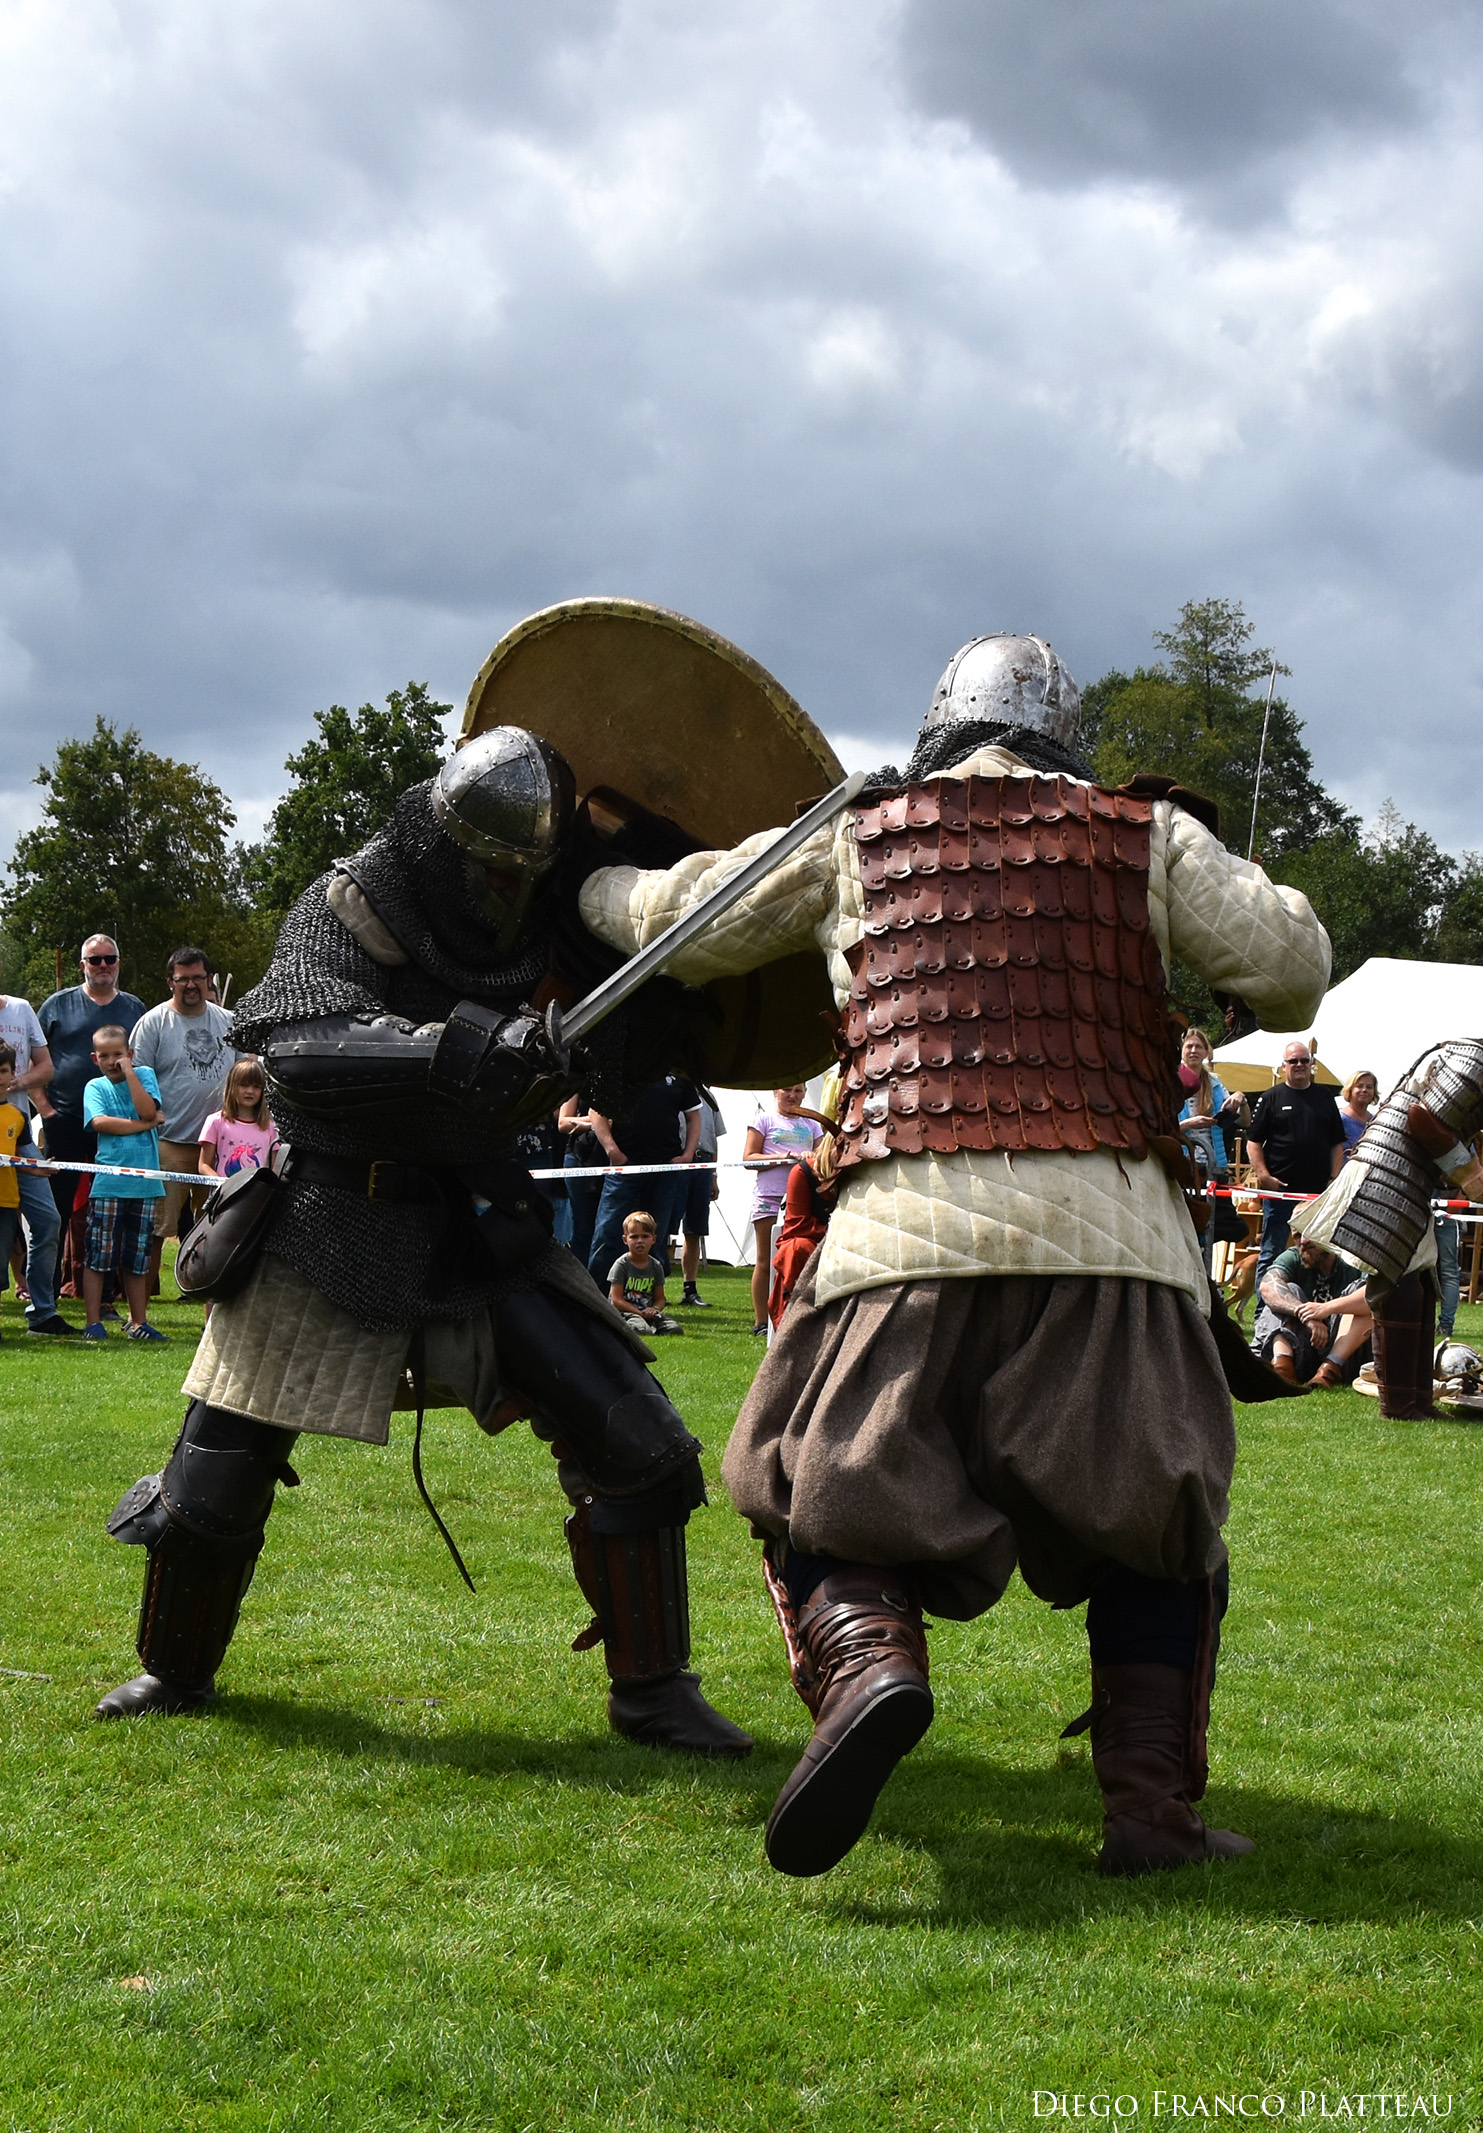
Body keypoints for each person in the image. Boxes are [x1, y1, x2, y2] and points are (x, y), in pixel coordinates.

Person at [579, 628, 1331, 1878]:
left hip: (899, 1237)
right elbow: (1294, 969)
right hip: (1115, 1244)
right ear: (1062, 734)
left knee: (815, 1481)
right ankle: (1148, 1811)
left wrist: (588, 878)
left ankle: (870, 1667)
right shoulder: (1146, 835)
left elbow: (677, 924)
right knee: (1157, 1525)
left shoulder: (854, 833)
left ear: (939, 727)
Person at [93, 726, 749, 1761]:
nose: (505, 887)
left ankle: (654, 1693)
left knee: (639, 1441)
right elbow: (296, 1048)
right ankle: (174, 1670)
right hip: (326, 1210)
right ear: (439, 841)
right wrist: (462, 1047)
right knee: (213, 1481)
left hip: (475, 1215)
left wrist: (642, 1008)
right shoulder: (352, 901)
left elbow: (625, 1049)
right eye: (489, 866)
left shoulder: (553, 910)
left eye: (522, 870)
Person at [36, 936, 146, 1279]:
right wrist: (45, 1110)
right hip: (65, 1120)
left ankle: (107, 1293)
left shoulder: (134, 1008)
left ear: (118, 963)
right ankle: (47, 1291)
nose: (103, 966)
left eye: (109, 959)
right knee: (56, 1209)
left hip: (116, 1124)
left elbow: (143, 1064)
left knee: (110, 1210)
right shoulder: (56, 1005)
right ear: (82, 965)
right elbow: (32, 1059)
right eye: (95, 960)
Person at [130, 947, 239, 1286]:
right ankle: (142, 1306)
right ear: (170, 982)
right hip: (169, 1142)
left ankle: (205, 1292)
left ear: (209, 980)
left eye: (198, 978)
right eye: (183, 979)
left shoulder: (229, 1021)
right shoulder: (153, 1023)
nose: (191, 985)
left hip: (219, 1146)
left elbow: (245, 1074)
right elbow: (135, 1078)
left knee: (215, 1226)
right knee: (156, 1228)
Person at [80, 1027, 167, 1343]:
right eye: (104, 1056)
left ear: (130, 1054)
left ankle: (137, 1321)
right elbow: (100, 1123)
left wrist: (131, 1073)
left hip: (145, 1186)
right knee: (98, 1255)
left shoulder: (144, 1076)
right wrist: (146, 1125)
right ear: (95, 1059)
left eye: (118, 1054)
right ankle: (93, 1322)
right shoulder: (95, 1086)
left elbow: (147, 1108)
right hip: (109, 1184)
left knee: (138, 1258)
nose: (112, 1061)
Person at [585, 1073, 702, 1286]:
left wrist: (687, 1155)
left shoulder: (679, 1072)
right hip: (623, 1167)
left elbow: (694, 1115)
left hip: (665, 1167)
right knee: (607, 1234)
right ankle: (596, 1297)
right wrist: (612, 1151)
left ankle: (650, 1297)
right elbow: (596, 1111)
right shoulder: (621, 1067)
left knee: (654, 1237)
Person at [1246, 1045, 1345, 1285]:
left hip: (1317, 1193)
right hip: (1280, 1191)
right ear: (1284, 1066)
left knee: (1319, 1251)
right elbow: (1253, 1142)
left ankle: (1316, 1298)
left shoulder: (1325, 1097)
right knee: (1271, 1251)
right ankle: (1266, 1305)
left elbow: (1337, 1143)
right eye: (1293, 1061)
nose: (1299, 1065)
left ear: (1311, 1064)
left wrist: (1334, 1179)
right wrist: (1264, 1176)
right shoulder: (1271, 1097)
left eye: (1303, 1060)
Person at [0, 989, 68, 1335]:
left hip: (18, 1130)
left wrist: (15, 1082)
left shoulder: (21, 1009)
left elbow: (46, 1068)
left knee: (47, 1220)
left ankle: (42, 1313)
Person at [742, 1087, 828, 1335]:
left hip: (802, 1202)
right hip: (770, 1196)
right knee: (764, 1259)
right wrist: (784, 1157)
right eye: (787, 1090)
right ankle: (761, 1321)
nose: (793, 1095)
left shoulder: (812, 1124)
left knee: (797, 1255)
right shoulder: (764, 1119)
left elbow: (823, 1156)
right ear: (775, 1092)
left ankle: (793, 1315)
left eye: (798, 1091)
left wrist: (812, 1156)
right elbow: (749, 1158)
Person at [1251, 1224, 1372, 1386]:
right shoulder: (1293, 1256)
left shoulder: (1354, 1258)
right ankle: (1283, 1367)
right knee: (1282, 1293)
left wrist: (1325, 1309)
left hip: (1348, 1357)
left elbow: (1376, 1296)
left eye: (1310, 1232)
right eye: (1297, 1235)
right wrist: (1306, 1315)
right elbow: (1267, 1287)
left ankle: (1329, 1370)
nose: (1303, 1241)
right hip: (1302, 1351)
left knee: (1361, 1292)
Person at [558, 1093, 622, 1272]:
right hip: (580, 1156)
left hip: (618, 1157)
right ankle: (580, 1280)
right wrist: (597, 1121)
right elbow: (563, 1123)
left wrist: (590, 1123)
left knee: (611, 1228)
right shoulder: (577, 1084)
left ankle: (609, 1280)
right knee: (583, 1229)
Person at [678, 1087, 725, 1308]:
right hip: (675, 1161)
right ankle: (655, 1289)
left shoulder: (708, 1096)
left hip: (703, 1163)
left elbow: (713, 1137)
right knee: (661, 1227)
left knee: (694, 1230)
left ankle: (690, 1289)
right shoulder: (673, 1089)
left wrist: (714, 1175)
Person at [198, 1059, 279, 1180]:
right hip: (224, 1190)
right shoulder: (215, 1122)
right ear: (232, 1086)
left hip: (258, 1190)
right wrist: (223, 1184)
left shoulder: (271, 1127)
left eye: (256, 1087)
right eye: (244, 1085)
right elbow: (204, 1165)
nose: (250, 1091)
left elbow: (274, 1170)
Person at [608, 1211, 681, 1335]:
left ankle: (651, 1326)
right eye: (634, 1237)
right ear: (625, 1239)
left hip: (648, 1313)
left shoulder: (656, 1266)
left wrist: (654, 1309)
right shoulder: (621, 1265)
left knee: (674, 1329)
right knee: (641, 1329)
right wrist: (639, 1313)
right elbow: (616, 1300)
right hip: (626, 1313)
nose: (640, 1241)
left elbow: (660, 1299)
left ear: (654, 1239)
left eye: (645, 1236)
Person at [0, 1045, 30, 1340]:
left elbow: (19, 1159)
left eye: (3, 1071)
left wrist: (39, 1169)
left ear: (13, 1074)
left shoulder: (18, 1116)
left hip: (6, 1201)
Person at [1338, 1070, 1378, 1159]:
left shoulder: (1375, 1122)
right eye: (1359, 1086)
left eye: (1369, 1087)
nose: (1364, 1090)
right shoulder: (1338, 1118)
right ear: (1350, 1089)